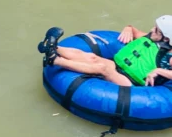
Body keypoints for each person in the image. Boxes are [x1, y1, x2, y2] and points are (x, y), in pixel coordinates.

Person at [38, 16, 172, 87]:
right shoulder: (150, 37)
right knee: (92, 57)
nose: (152, 29)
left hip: (132, 83)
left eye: (156, 30)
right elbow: (133, 29)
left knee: (103, 68)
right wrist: (128, 28)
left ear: (165, 37)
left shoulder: (169, 55)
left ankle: (55, 60)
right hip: (119, 67)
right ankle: (52, 47)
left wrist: (159, 71)